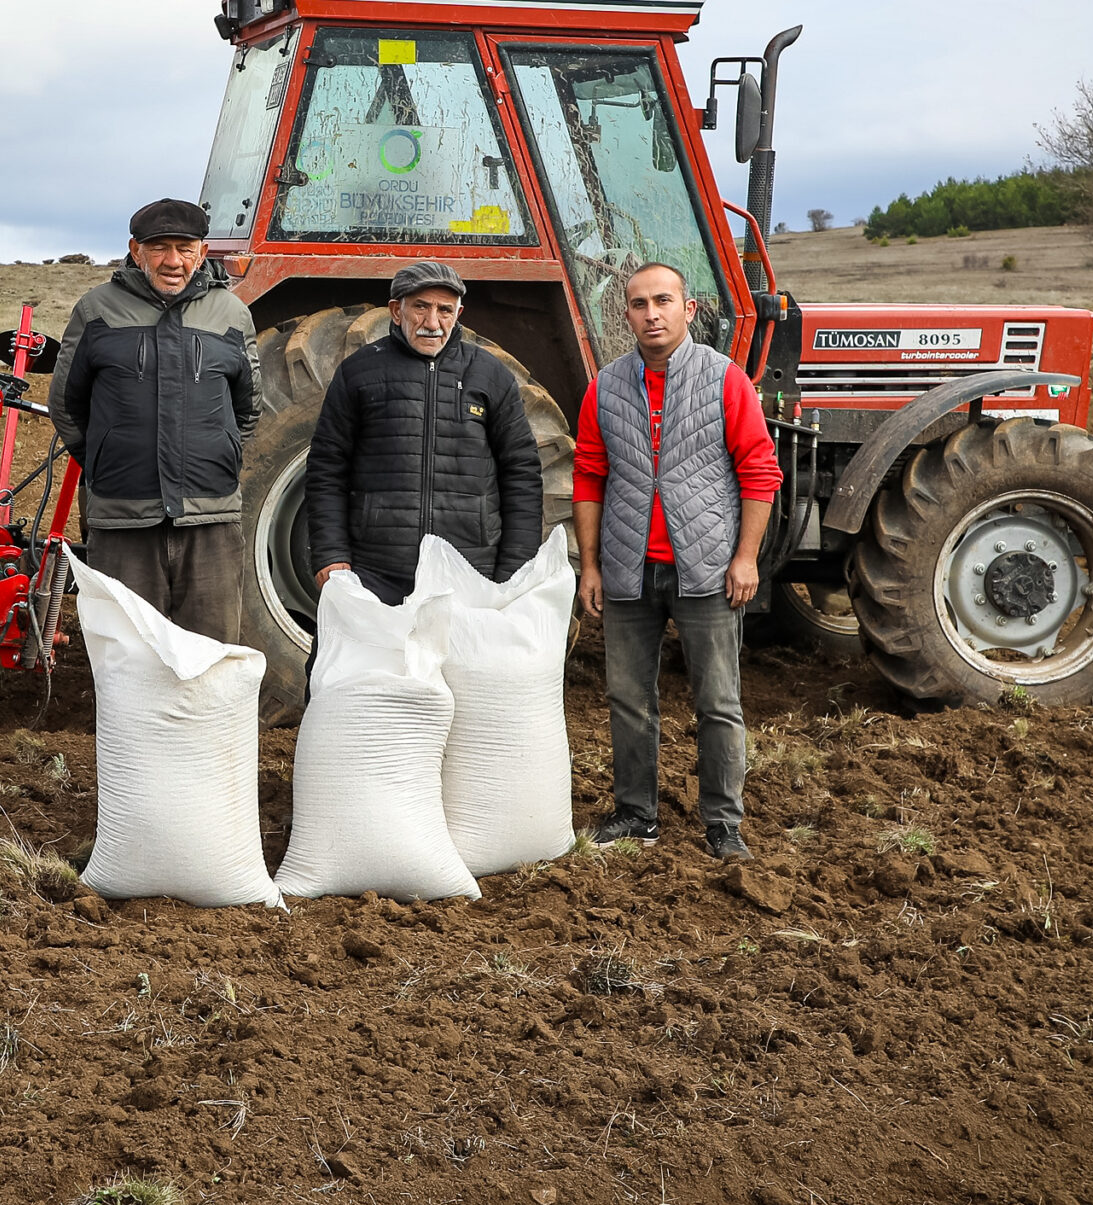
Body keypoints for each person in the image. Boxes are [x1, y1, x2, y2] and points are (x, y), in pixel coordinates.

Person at [573, 261, 783, 860]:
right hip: (627, 568)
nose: (651, 313)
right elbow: (589, 473)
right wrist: (591, 566)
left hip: (709, 569)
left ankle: (723, 824)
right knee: (627, 698)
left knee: (717, 701)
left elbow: (760, 472)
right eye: (638, 304)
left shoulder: (725, 380)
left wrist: (746, 558)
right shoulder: (605, 386)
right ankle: (636, 815)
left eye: (663, 301)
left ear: (688, 310)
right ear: (627, 316)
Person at [48, 199, 260, 643]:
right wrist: (108, 460)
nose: (172, 261)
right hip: (123, 522)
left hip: (210, 521)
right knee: (129, 658)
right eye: (159, 247)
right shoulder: (96, 310)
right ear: (135, 249)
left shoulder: (231, 314)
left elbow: (247, 408)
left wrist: (216, 453)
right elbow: (67, 406)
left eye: (184, 247)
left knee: (211, 657)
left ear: (202, 252)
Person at [306, 261, 543, 606]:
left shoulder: (491, 376)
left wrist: (515, 568)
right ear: (396, 311)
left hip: (471, 573)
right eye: (420, 307)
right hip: (375, 573)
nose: (432, 323)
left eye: (444, 310)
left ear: (458, 314)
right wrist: (330, 552)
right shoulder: (358, 374)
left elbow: (521, 474)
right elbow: (327, 468)